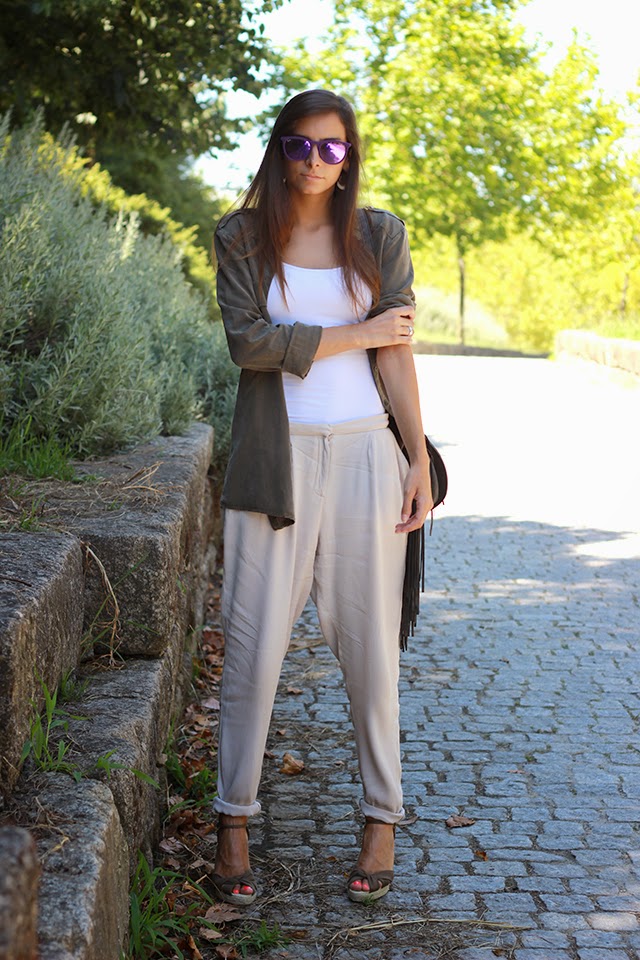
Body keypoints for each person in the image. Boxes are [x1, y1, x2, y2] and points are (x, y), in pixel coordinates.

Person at [211, 89, 433, 905]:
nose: (314, 160)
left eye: (331, 147)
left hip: (368, 454)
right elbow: (250, 345)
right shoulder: (241, 236)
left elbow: (398, 356)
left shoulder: (379, 235)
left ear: (349, 158)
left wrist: (417, 457)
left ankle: (382, 817)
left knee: (372, 651)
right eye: (300, 144)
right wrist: (361, 332)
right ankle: (233, 821)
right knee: (252, 649)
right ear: (279, 149)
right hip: (276, 460)